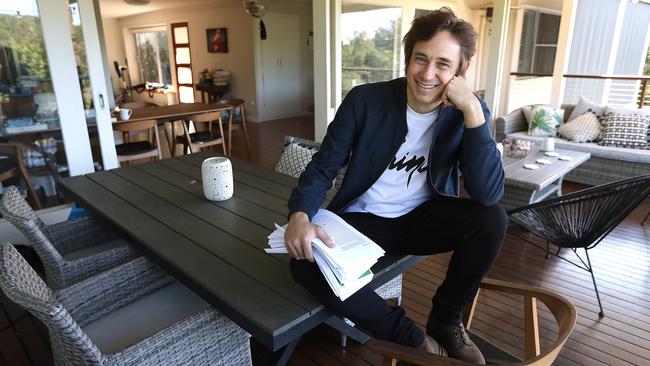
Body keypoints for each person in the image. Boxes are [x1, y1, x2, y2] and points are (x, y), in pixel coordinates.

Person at [284, 7, 507, 364]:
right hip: (363, 220)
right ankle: (413, 340)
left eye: (443, 64)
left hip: (422, 217)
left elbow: (488, 194)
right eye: (421, 58)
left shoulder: (467, 111)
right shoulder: (365, 100)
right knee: (303, 262)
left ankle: (447, 320)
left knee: (492, 219)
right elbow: (323, 166)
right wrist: (299, 214)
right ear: (408, 58)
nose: (428, 73)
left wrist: (474, 113)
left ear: (460, 73)